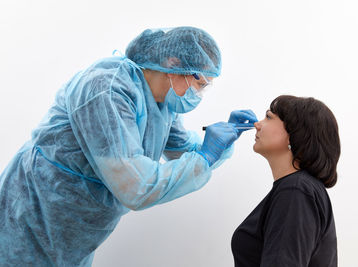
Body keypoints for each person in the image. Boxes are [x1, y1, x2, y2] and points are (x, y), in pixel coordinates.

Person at [0, 26, 258, 266]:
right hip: (35, 215)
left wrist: (223, 142)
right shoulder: (107, 90)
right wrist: (206, 155)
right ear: (173, 65)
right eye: (200, 82)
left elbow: (182, 149)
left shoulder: (163, 104)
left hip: (75, 231)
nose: (199, 93)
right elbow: (136, 186)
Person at [231, 95, 340, 267]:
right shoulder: (297, 189)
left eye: (268, 117)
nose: (257, 124)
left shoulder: (295, 191)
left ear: (293, 134)